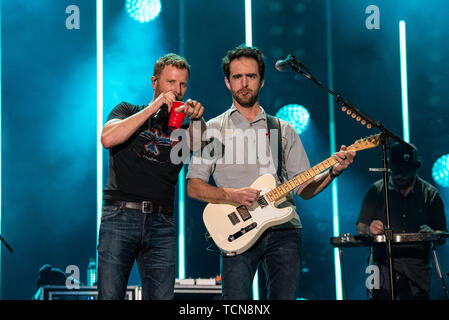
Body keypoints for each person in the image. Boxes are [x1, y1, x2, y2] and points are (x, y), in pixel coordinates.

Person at [186, 45, 356, 300]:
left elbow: (304, 189)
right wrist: (231, 195)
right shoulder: (211, 129)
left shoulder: (283, 128)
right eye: (237, 77)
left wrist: (333, 172)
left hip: (284, 230)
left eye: (251, 76)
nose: (244, 83)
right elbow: (194, 186)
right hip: (237, 230)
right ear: (227, 82)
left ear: (262, 80)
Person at [98, 53, 205, 300]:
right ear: (154, 81)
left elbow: (200, 146)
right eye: (171, 82)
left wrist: (198, 119)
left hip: (162, 223)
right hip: (120, 215)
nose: (177, 90)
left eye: (183, 84)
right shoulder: (127, 109)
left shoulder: (183, 129)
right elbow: (108, 138)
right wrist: (154, 107)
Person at [356, 142, 447, 300]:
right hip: (381, 263)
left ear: (415, 168)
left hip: (417, 265)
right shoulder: (377, 190)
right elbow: (360, 227)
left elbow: (442, 235)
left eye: (404, 171)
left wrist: (432, 234)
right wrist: (369, 229)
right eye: (395, 171)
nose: (399, 175)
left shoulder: (431, 195)